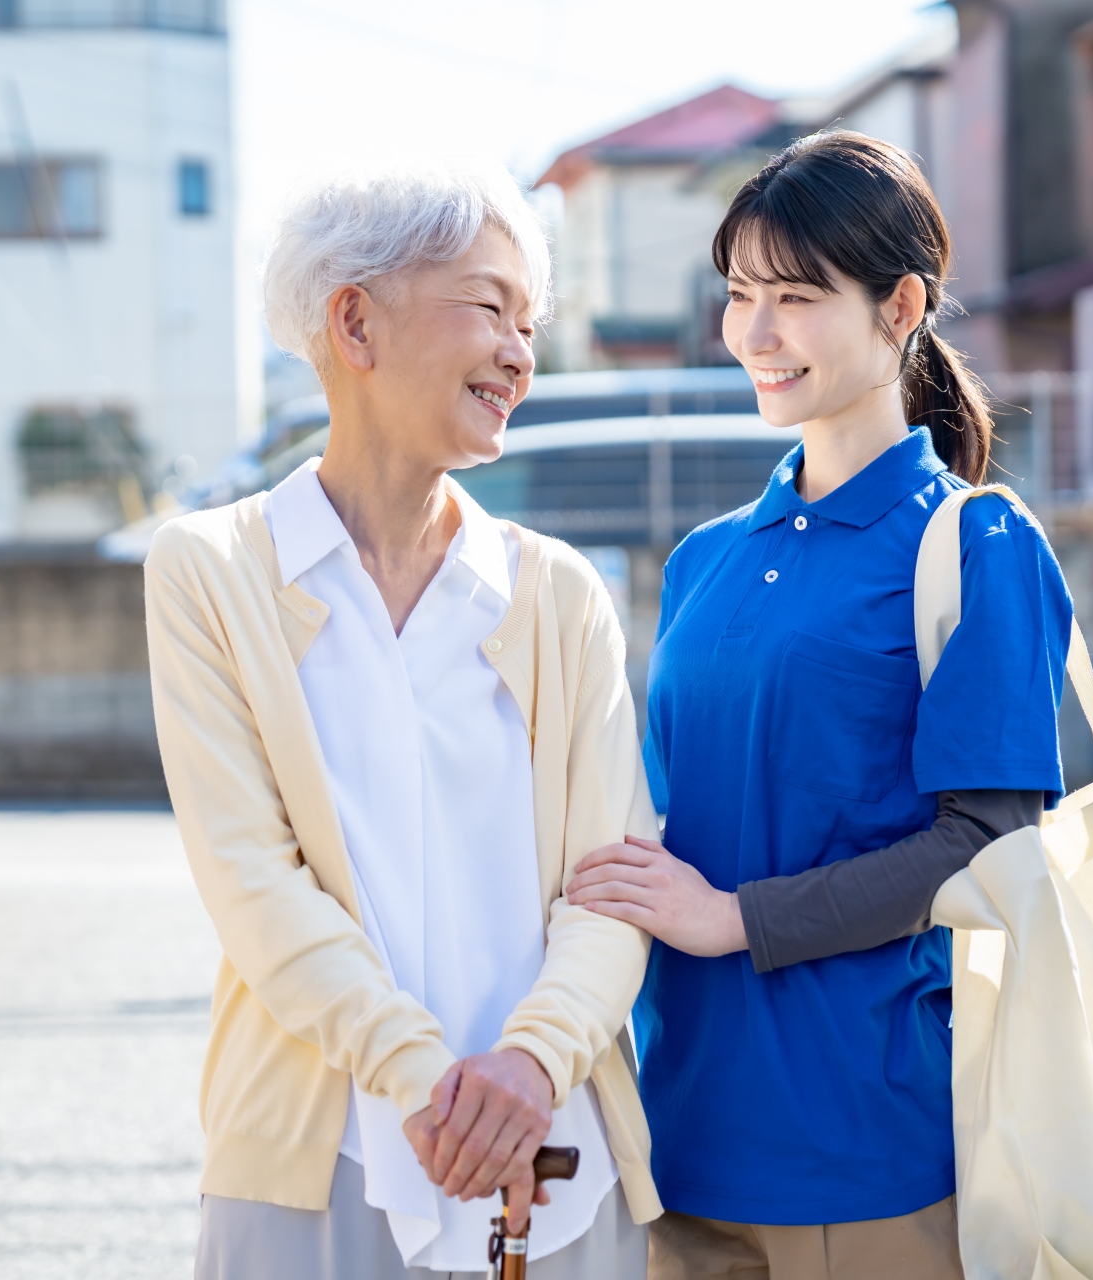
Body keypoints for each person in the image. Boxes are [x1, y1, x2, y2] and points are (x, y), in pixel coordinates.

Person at [566, 132, 1073, 1280]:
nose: (756, 332)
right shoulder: (702, 559)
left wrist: (735, 917)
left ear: (902, 306)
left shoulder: (977, 543)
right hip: (677, 1138)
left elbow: (987, 845)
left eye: (795, 296)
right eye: (741, 294)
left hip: (865, 1148)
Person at [145, 167, 661, 1280]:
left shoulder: (559, 594)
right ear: (355, 322)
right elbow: (251, 880)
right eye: (489, 308)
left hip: (555, 1160)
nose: (520, 354)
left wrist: (531, 1065)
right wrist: (426, 1080)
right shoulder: (210, 571)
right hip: (313, 1165)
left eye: (530, 325)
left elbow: (614, 884)